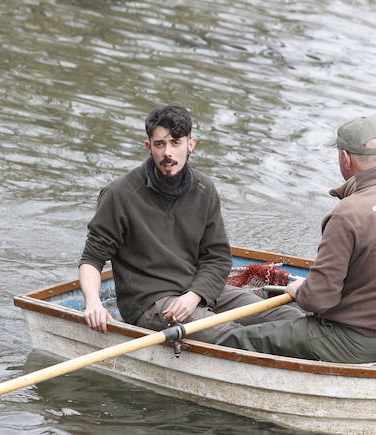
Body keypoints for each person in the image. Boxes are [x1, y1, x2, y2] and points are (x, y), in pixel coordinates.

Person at [217, 116, 376, 363]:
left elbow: (319, 300)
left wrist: (301, 291)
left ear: (345, 158)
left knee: (236, 338)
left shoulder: (348, 214)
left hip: (359, 341)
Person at [78, 104, 302, 343]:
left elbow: (217, 257)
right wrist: (93, 304)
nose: (168, 153)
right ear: (149, 147)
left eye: (176, 143)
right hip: (152, 302)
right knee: (233, 336)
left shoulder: (204, 189)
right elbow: (92, 259)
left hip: (198, 290)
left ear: (190, 145)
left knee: (290, 318)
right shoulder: (119, 194)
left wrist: (195, 294)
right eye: (160, 144)